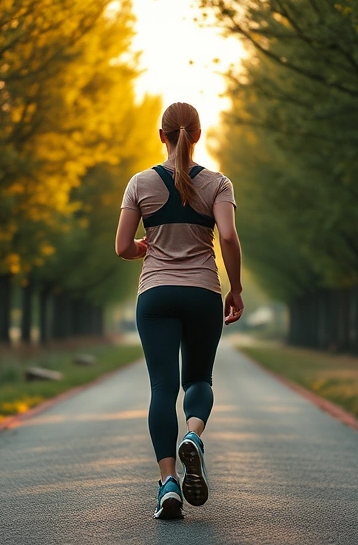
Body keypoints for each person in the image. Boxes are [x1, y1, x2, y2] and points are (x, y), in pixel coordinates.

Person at [115, 102, 243, 520]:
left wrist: (143, 247)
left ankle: (168, 485)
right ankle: (194, 436)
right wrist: (236, 287)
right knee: (199, 380)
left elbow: (122, 247)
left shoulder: (140, 183)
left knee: (161, 388)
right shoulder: (219, 184)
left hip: (155, 297)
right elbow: (227, 235)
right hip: (203, 293)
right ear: (199, 135)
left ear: (162, 135)